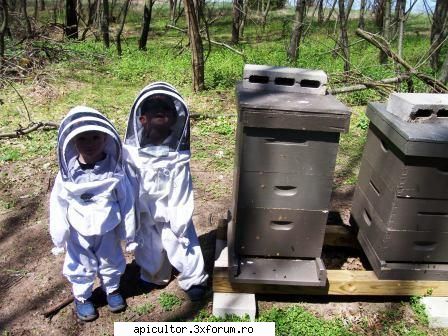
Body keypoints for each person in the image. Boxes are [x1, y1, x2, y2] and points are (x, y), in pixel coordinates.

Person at [49, 106, 137, 321]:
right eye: (83, 139)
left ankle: (112, 289)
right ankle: (82, 297)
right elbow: (58, 205)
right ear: (72, 142)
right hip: (78, 230)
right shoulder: (67, 175)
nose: (89, 144)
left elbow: (126, 202)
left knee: (111, 259)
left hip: (107, 227)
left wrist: (130, 234)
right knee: (80, 263)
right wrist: (59, 237)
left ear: (106, 138)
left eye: (95, 137)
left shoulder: (114, 171)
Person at [123, 82, 208, 301]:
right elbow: (130, 186)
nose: (160, 111)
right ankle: (154, 274)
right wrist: (133, 216)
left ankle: (193, 278)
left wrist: (179, 219)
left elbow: (182, 190)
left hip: (172, 211)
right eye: (153, 109)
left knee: (180, 240)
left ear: (176, 117)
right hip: (144, 210)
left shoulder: (177, 157)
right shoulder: (133, 155)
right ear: (141, 119)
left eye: (166, 108)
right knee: (148, 243)